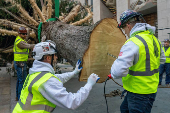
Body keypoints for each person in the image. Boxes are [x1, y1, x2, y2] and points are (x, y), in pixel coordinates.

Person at [13, 40, 100, 113]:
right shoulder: (47, 81)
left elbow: (57, 78)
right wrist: (89, 84)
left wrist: (74, 72)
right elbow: (72, 102)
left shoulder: (35, 74)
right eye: (54, 55)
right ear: (48, 58)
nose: (56, 57)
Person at [109, 9, 166, 113]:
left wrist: (112, 70)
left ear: (128, 26)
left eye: (124, 29)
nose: (125, 32)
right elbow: (162, 59)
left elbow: (117, 72)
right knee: (124, 109)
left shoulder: (132, 42)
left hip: (138, 92)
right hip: (150, 89)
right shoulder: (155, 39)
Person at [13, 27, 35, 101]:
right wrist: (40, 44)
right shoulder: (19, 42)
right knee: (22, 81)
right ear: (19, 34)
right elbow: (29, 46)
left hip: (20, 62)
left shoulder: (21, 40)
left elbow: (26, 39)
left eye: (25, 33)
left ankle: (17, 96)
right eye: (23, 34)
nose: (25, 35)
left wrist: (28, 30)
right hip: (20, 63)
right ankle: (21, 98)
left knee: (20, 80)